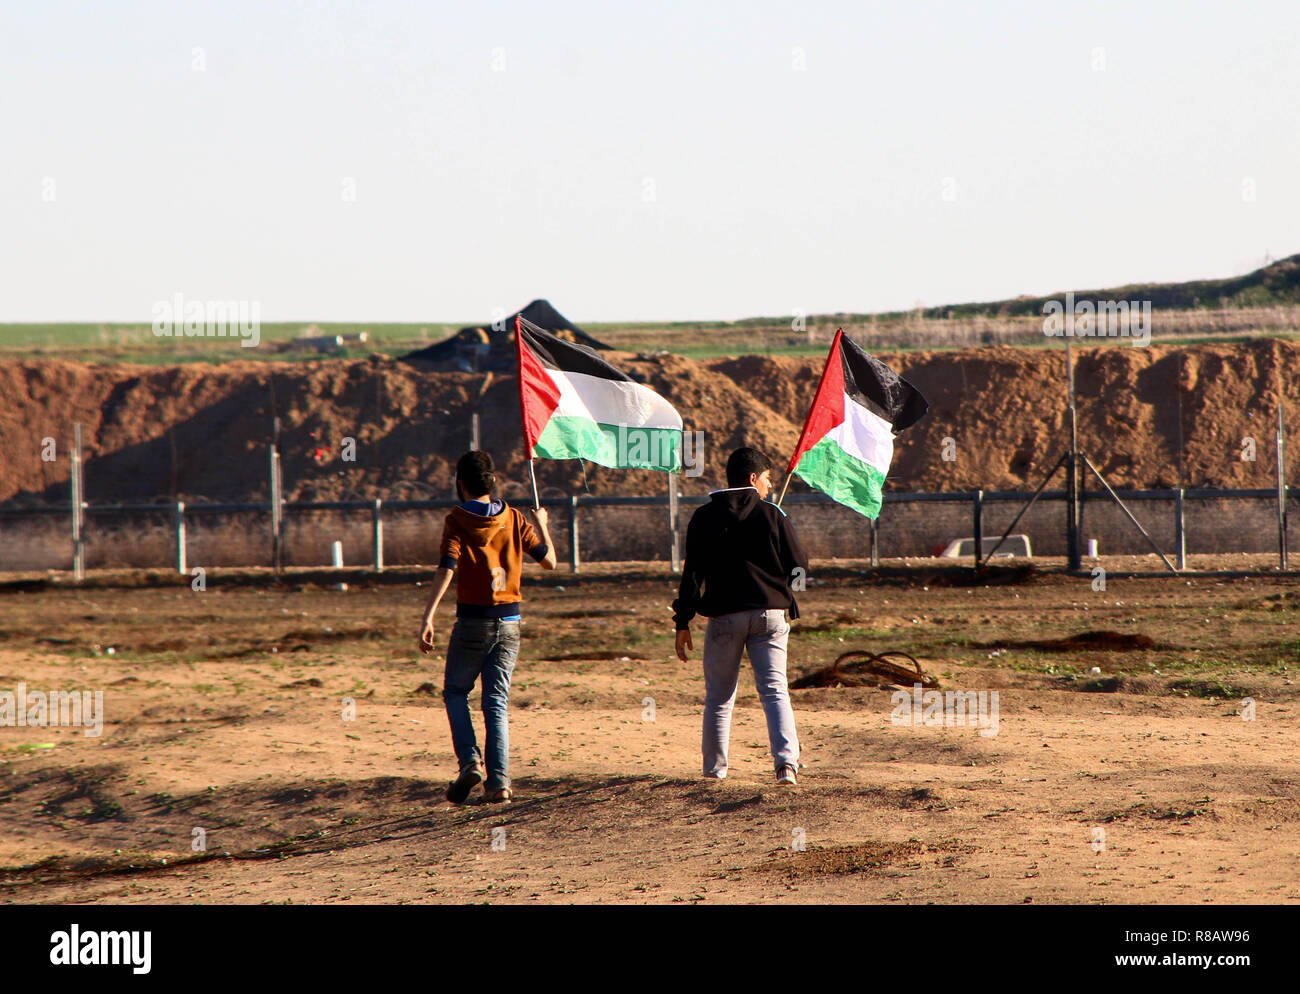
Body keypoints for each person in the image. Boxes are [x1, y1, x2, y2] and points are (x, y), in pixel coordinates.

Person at [418, 451, 557, 804]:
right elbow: (550, 563)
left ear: (460, 484)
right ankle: (500, 784)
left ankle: (469, 762)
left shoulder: (457, 519)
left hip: (472, 622)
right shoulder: (513, 517)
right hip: (510, 622)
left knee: (455, 692)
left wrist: (429, 616)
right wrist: (541, 523)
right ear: (492, 481)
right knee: (495, 701)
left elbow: (447, 567)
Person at [672, 446, 810, 785]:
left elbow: (693, 575)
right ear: (752, 479)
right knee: (775, 690)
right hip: (771, 616)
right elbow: (800, 566)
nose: (769, 486)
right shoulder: (773, 514)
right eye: (766, 479)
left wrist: (683, 621)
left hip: (723, 619)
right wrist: (789, 590)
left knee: (719, 697)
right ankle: (786, 767)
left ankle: (714, 773)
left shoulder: (704, 517)